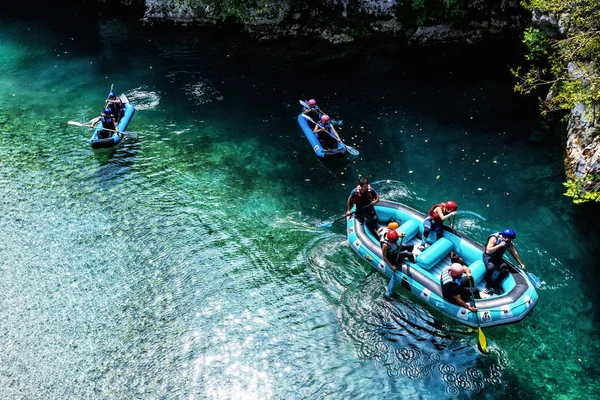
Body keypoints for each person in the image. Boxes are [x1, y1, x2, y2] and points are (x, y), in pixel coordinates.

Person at [482, 228, 525, 294]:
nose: (512, 240)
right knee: (491, 268)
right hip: (489, 257)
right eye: (511, 238)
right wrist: (499, 245)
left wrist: (520, 263)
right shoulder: (494, 238)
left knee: (505, 271)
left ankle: (495, 284)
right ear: (506, 238)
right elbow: (488, 251)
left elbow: (514, 252)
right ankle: (488, 286)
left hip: (498, 258)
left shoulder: (509, 242)